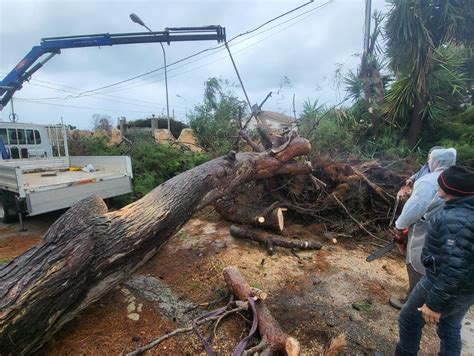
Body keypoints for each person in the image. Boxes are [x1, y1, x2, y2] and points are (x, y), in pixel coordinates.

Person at [396, 165, 474, 356]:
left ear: (452, 190)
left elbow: (454, 268)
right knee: (450, 326)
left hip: (439, 281)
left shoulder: (455, 219)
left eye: (440, 185)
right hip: (468, 287)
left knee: (409, 319)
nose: (437, 188)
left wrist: (434, 304)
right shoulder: (464, 209)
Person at [389, 148, 457, 310]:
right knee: (437, 266)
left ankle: (413, 302)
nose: (428, 162)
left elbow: (415, 208)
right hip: (450, 233)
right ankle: (433, 301)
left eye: (430, 160)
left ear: (437, 162)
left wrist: (400, 226)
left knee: (416, 262)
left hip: (426, 230)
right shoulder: (456, 179)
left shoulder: (429, 181)